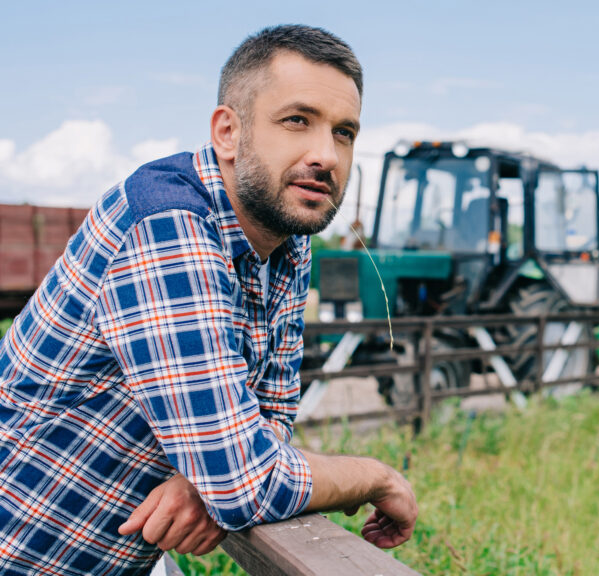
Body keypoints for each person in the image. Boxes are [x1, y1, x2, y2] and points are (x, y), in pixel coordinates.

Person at [0, 25, 417, 575]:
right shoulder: (170, 225)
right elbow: (245, 480)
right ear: (227, 131)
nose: (326, 155)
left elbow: (268, 424)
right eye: (297, 120)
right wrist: (377, 476)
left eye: (344, 133)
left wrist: (210, 477)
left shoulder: (286, 241)